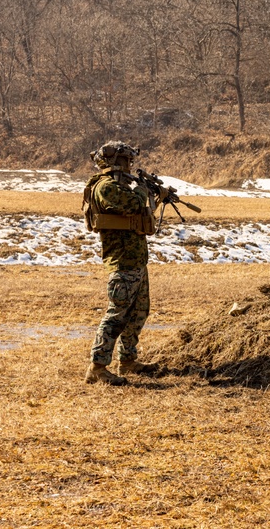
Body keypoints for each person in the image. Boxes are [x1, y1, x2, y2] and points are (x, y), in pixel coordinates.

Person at [82, 140, 167, 385]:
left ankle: (127, 361)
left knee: (138, 312)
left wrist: (153, 194)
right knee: (116, 315)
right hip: (122, 262)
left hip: (136, 260)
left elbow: (140, 210)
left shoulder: (120, 185)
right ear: (114, 161)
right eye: (125, 160)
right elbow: (132, 204)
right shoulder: (105, 187)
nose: (129, 165)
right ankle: (97, 367)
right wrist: (145, 190)